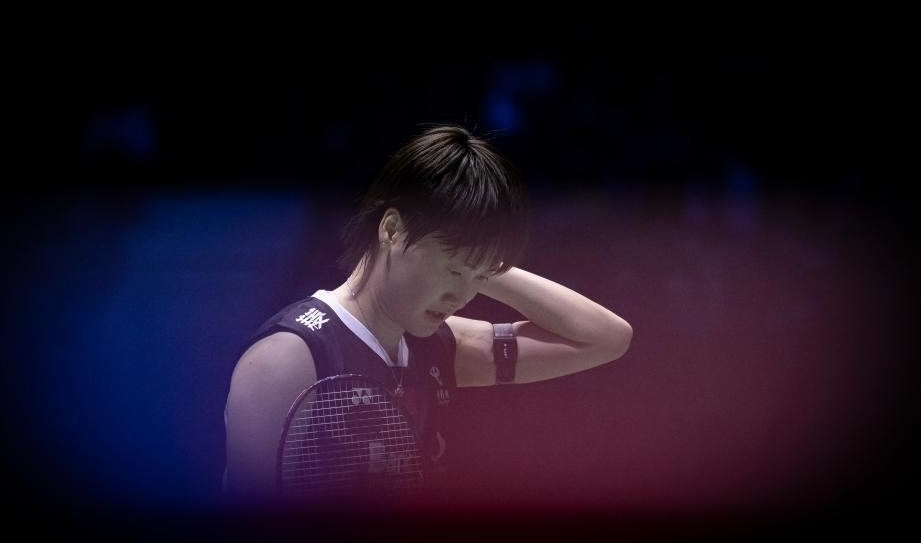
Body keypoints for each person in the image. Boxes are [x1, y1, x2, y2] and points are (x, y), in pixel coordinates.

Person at [223, 123, 633, 503]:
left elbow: (606, 338)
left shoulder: (437, 345)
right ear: (391, 230)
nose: (462, 296)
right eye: (452, 270)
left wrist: (478, 260)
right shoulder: (289, 357)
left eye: (479, 278)